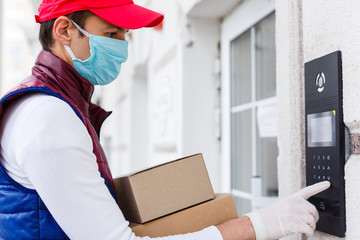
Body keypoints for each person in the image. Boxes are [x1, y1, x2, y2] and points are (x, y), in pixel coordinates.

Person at [0, 0, 330, 239]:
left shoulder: (56, 105)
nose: (123, 47)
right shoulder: (48, 116)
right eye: (112, 33)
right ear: (65, 30)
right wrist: (260, 225)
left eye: (124, 35)